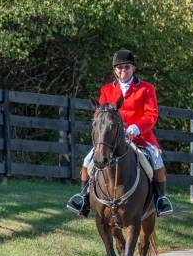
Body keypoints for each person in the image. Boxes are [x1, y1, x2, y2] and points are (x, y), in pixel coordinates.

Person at [67, 49, 173, 217]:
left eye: (126, 67)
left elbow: (151, 115)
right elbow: (101, 116)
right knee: (88, 161)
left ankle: (161, 200)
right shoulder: (106, 90)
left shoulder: (146, 89)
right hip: (111, 139)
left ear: (133, 68)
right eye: (119, 68)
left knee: (157, 161)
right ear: (114, 70)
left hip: (140, 138)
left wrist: (136, 128)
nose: (123, 71)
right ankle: (84, 198)